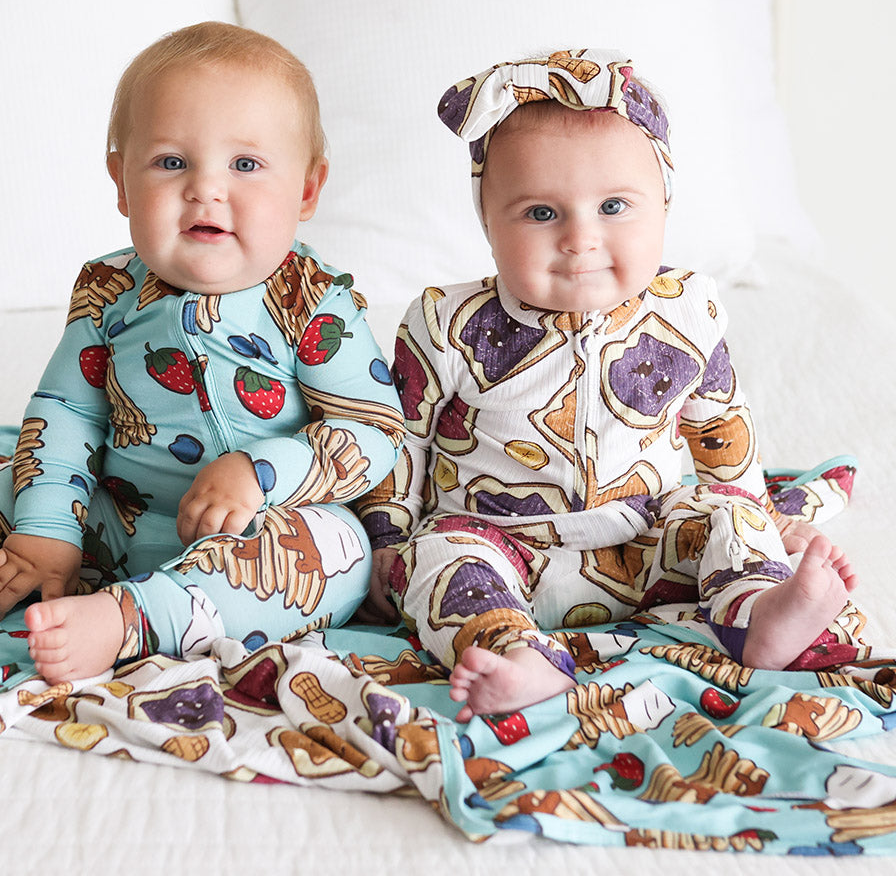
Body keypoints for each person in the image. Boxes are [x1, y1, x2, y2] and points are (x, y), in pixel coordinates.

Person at [0, 21, 405, 685]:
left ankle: (128, 619)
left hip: (255, 527)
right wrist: (47, 531)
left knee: (338, 554)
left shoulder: (314, 300)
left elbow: (374, 430)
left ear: (306, 190)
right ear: (122, 183)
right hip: (110, 511)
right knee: (2, 494)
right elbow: (65, 412)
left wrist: (261, 473)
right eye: (171, 162)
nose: (206, 189)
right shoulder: (108, 291)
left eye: (245, 164)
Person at [356, 49, 860, 722]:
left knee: (725, 513)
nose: (580, 238)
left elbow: (720, 427)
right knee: (439, 559)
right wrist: (387, 544)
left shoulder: (689, 311)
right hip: (502, 545)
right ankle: (514, 655)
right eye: (541, 213)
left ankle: (760, 611)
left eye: (614, 206)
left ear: (665, 206)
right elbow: (401, 440)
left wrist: (759, 519)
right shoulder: (444, 323)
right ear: (488, 222)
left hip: (649, 541)